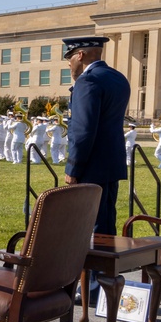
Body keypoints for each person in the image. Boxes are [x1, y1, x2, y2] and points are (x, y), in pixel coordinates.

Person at [64, 36, 130, 237]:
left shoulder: (88, 81)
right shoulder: (118, 78)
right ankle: (105, 268)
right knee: (106, 221)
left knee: (89, 224)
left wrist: (73, 168)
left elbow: (83, 130)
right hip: (111, 163)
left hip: (91, 166)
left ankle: (95, 269)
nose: (69, 64)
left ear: (80, 55)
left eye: (70, 58)